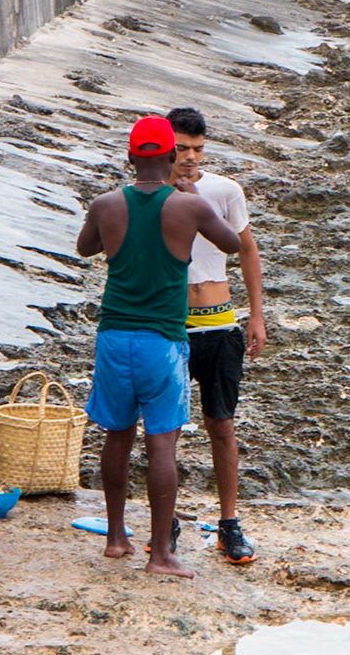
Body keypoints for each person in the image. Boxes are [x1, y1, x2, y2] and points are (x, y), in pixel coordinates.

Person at [76, 117, 241, 577]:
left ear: (131, 157)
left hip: (115, 335)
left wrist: (109, 227)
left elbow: (86, 247)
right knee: (162, 443)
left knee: (117, 435)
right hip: (163, 340)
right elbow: (231, 242)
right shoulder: (188, 205)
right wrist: (192, 197)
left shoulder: (106, 204)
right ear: (171, 157)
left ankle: (115, 538)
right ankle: (161, 555)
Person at [167, 108, 265, 566]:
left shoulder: (225, 190)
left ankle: (229, 522)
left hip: (219, 321)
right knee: (164, 429)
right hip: (170, 324)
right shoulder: (152, 193)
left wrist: (256, 316)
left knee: (221, 424)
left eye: (197, 149)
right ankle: (165, 521)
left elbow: (246, 250)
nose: (190, 157)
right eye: (181, 148)